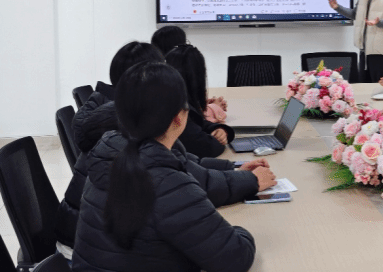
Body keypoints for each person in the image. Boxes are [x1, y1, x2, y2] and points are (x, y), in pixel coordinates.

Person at [55, 42, 273, 256]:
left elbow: (189, 165)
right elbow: (233, 252)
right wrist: (250, 184)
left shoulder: (114, 139)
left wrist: (234, 169)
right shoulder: (159, 171)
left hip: (84, 254)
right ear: (179, 117)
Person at [165, 44, 235, 159]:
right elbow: (208, 147)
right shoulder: (177, 108)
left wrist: (219, 129)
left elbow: (198, 122)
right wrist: (220, 139)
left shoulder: (171, 97)